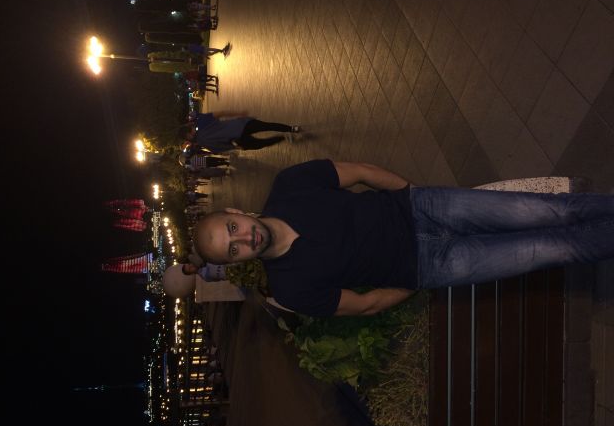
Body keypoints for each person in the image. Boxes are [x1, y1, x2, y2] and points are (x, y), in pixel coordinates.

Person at [192, 159, 614, 317]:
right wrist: (414, 280)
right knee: (553, 249)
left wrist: (410, 194)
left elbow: (359, 172)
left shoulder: (290, 186)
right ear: (235, 263)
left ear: (235, 212)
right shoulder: (291, 289)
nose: (244, 239)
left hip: (425, 208)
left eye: (232, 229)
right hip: (433, 266)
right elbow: (365, 305)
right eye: (233, 250)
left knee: (551, 210)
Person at [179, 111, 301, 154]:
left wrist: (237, 147)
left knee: (262, 143)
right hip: (239, 125)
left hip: (238, 140)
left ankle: (283, 137)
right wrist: (239, 114)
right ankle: (290, 129)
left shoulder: (204, 143)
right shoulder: (202, 122)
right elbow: (221, 113)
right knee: (266, 126)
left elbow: (220, 148)